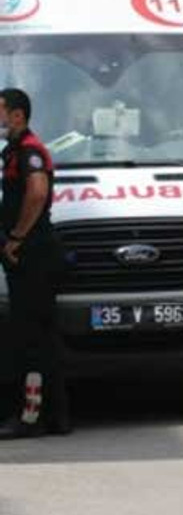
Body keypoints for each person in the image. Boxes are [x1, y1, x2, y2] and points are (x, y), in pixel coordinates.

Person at [0, 89, 69, 440]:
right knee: (42, 336)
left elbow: (38, 192)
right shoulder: (15, 150)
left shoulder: (29, 150)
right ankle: (55, 416)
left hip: (34, 256)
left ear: (16, 115)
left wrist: (16, 237)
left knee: (30, 340)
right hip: (31, 256)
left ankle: (30, 417)